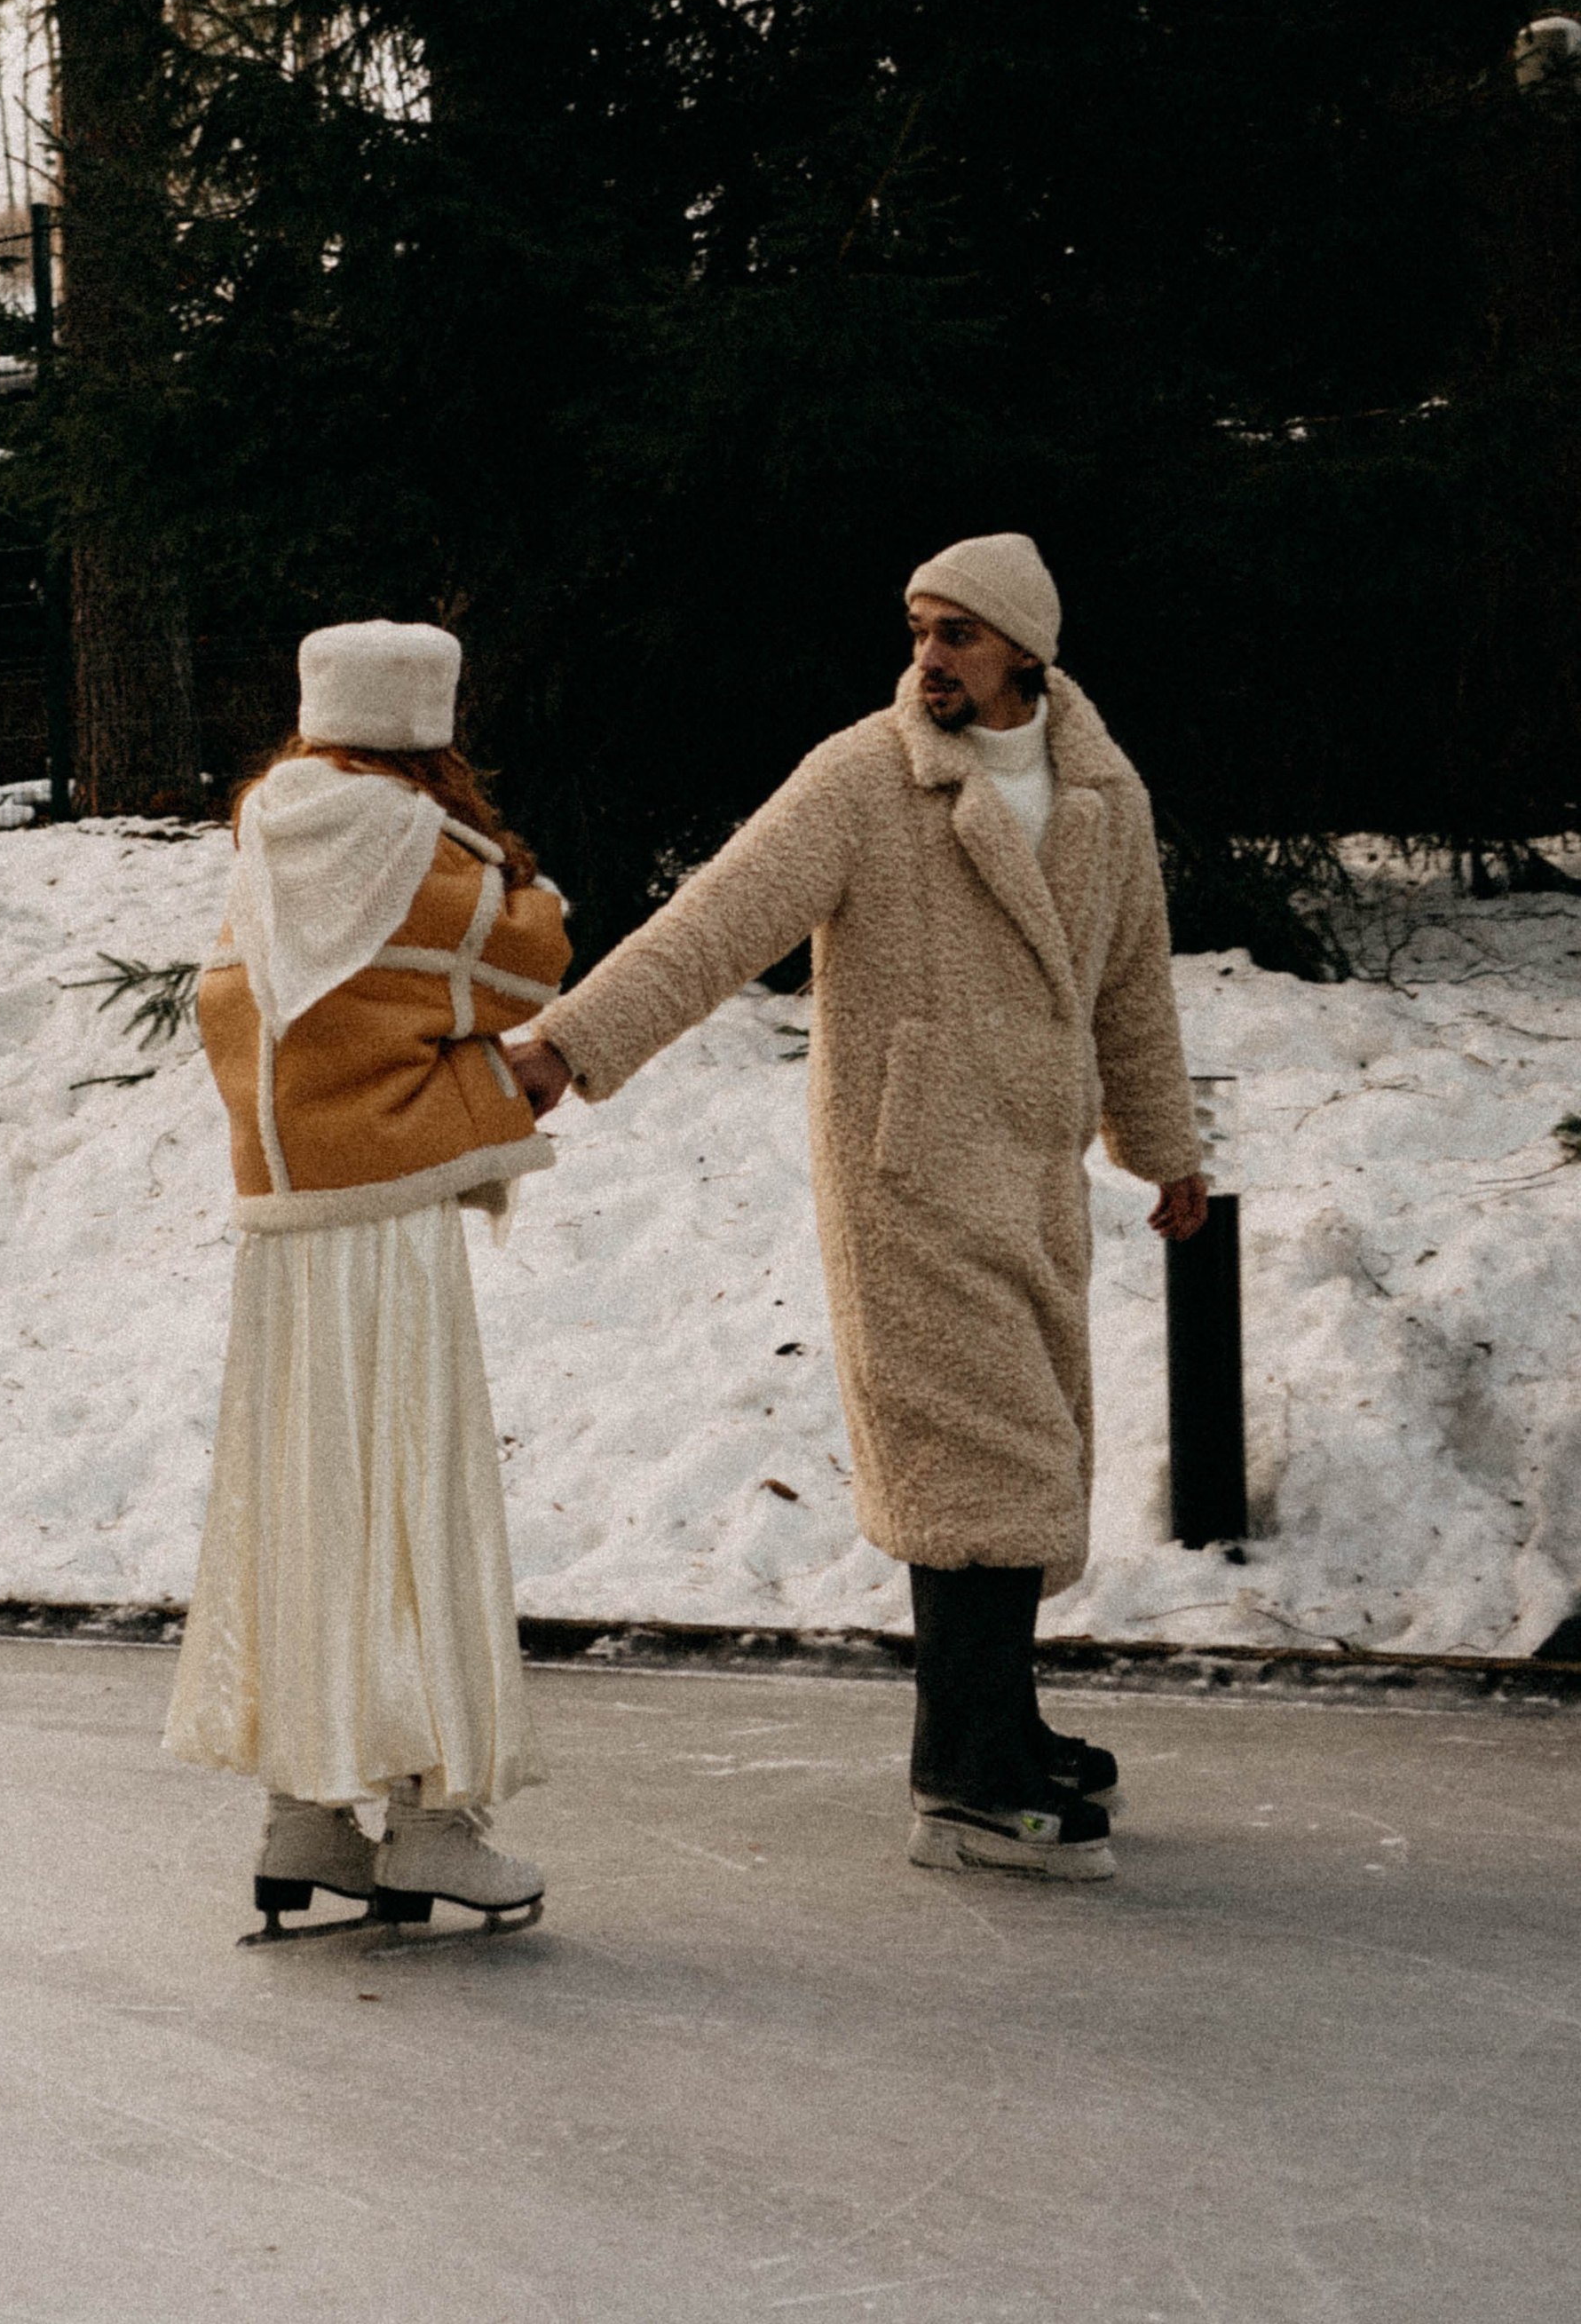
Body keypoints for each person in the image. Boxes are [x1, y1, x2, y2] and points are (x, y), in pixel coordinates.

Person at [507, 535, 1206, 1885]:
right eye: (917, 629)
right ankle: (964, 1782)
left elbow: (1134, 984)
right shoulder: (863, 780)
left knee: (1036, 1443)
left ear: (1022, 652)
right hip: (907, 1167)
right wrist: (568, 1045)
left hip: (1032, 1165)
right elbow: (714, 924)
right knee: (974, 1453)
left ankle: (1001, 1719)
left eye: (955, 635)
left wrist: (1163, 1145)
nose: (927, 658)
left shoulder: (1103, 793)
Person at [166, 619, 573, 1937]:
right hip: (388, 1226)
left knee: (308, 1500)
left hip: (282, 1235)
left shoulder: (264, 843)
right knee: (417, 1497)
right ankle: (437, 1826)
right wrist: (505, 861)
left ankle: (304, 1813)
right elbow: (536, 955)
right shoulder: (431, 854)